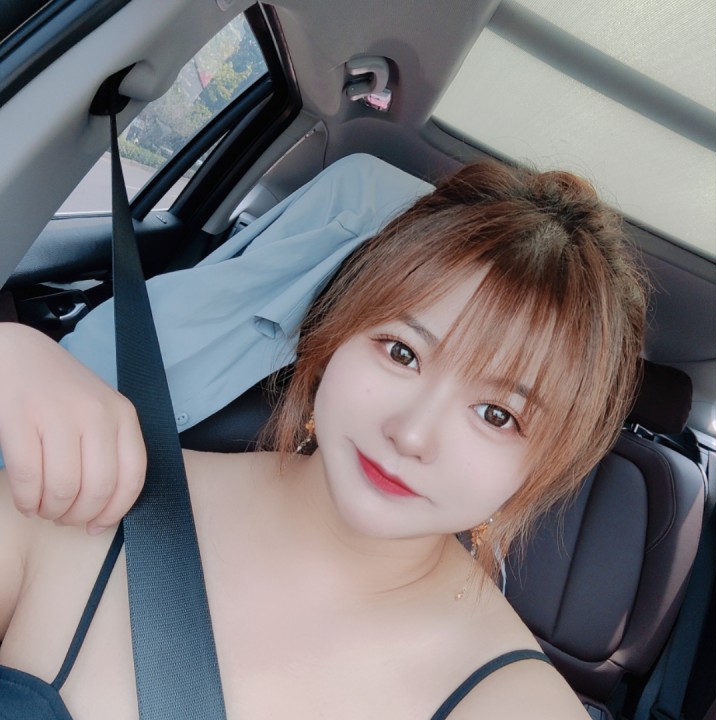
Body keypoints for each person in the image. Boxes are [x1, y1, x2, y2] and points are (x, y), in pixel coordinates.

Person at [0, 158, 646, 719]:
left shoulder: (510, 701)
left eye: (497, 415)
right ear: (337, 333)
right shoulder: (89, 499)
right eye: (401, 352)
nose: (412, 433)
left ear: (547, 463)